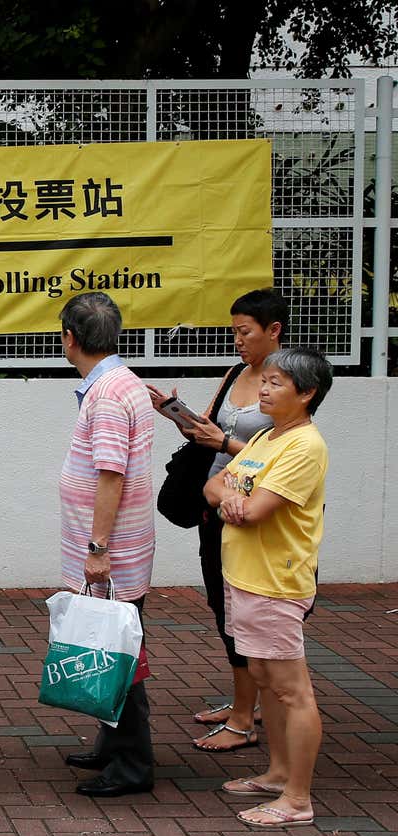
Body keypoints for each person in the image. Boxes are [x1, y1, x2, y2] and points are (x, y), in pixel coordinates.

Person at [148, 289, 287, 752]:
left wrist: (225, 442)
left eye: (245, 332)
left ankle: (246, 718)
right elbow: (206, 433)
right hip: (216, 508)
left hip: (255, 513)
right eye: (234, 332)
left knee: (245, 610)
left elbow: (286, 458)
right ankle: (244, 703)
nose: (238, 342)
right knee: (223, 605)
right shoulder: (235, 373)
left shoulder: (288, 383)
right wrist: (178, 417)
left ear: (274, 331)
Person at [204, 347, 332, 828]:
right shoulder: (266, 436)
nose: (264, 387)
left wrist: (238, 496)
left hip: (275, 581)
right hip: (245, 575)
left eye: (277, 382)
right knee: (263, 677)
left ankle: (297, 798)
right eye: (267, 380)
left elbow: (257, 510)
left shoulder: (305, 446)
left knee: (291, 689)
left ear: (307, 393)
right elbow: (213, 489)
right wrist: (233, 495)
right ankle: (278, 774)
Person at [53, 292, 158, 797]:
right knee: (108, 646)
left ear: (71, 339)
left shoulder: (110, 394)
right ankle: (110, 746)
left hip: (111, 553)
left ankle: (133, 765)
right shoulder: (120, 383)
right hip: (118, 547)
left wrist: (97, 548)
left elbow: (110, 474)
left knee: (121, 654)